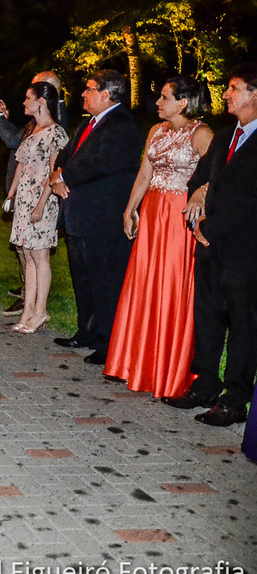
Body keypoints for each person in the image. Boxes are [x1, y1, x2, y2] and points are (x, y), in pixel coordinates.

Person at [104, 76, 211, 396]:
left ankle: (167, 370)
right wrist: (130, 208)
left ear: (183, 103)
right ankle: (131, 361)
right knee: (144, 283)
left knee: (170, 285)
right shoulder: (156, 130)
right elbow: (144, 173)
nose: (158, 103)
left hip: (179, 214)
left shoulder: (202, 133)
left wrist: (201, 193)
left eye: (165, 98)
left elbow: (214, 175)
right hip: (152, 212)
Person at [166, 63, 257, 427]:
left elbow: (251, 200)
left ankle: (235, 400)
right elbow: (200, 178)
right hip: (208, 244)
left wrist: (212, 227)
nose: (226, 94)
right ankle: (204, 384)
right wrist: (196, 204)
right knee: (207, 316)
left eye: (234, 88)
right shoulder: (223, 136)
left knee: (243, 323)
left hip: (244, 248)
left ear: (254, 94)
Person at [49, 70, 144, 365]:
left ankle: (108, 341)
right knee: (83, 276)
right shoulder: (88, 123)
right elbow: (67, 155)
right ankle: (86, 330)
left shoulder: (122, 125)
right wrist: (58, 173)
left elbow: (102, 163)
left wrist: (64, 176)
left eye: (89, 89)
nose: (83, 94)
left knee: (105, 279)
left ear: (107, 94)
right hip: (80, 213)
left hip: (103, 216)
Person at [0, 70, 68, 314]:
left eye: (30, 95)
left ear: (44, 97)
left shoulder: (56, 127)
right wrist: (12, 196)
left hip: (39, 200)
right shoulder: (34, 126)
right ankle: (28, 309)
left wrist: (41, 204)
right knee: (26, 252)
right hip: (24, 198)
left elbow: (52, 171)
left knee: (38, 255)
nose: (24, 100)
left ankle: (38, 310)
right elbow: (22, 160)